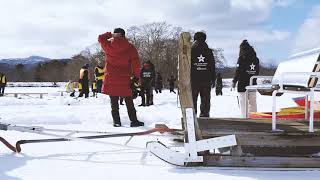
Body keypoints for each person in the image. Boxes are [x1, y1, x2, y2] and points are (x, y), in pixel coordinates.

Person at [98, 28, 144, 127]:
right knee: (129, 101)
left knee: (114, 102)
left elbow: (101, 38)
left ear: (115, 34)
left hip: (110, 78)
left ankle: (117, 122)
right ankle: (134, 121)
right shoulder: (130, 47)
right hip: (125, 78)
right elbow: (136, 64)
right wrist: (136, 77)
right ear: (124, 35)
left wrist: (110, 34)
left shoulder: (108, 45)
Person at [232, 39, 260, 118]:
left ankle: (244, 118)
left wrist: (234, 81)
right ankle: (254, 118)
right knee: (253, 103)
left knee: (243, 103)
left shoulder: (241, 58)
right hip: (252, 84)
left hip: (242, 84)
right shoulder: (256, 59)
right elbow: (257, 71)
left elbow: (238, 71)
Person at [191, 31, 216, 117]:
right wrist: (213, 79)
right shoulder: (208, 51)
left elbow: (187, 66)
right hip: (206, 80)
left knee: (192, 100)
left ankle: (192, 118)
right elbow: (212, 66)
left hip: (193, 80)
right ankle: (205, 118)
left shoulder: (191, 50)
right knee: (205, 100)